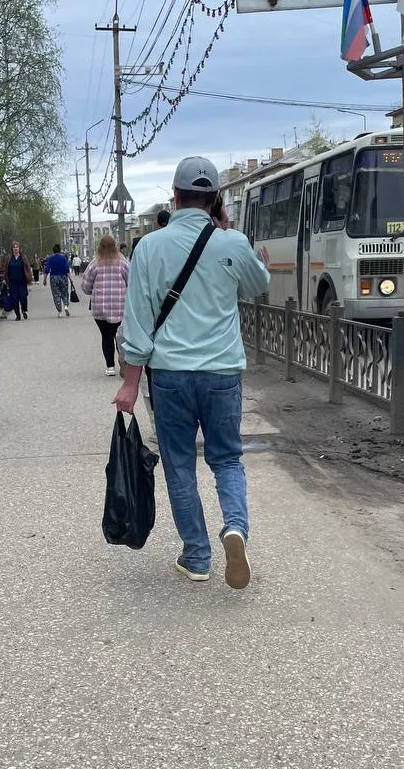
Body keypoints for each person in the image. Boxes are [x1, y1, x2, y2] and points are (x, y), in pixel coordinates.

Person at [113, 156, 270, 589]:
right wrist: (233, 238)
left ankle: (197, 557)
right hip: (221, 373)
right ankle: (235, 527)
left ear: (175, 196)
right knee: (227, 459)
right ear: (216, 198)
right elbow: (257, 286)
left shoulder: (149, 247)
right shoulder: (232, 242)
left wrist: (130, 382)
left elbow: (138, 320)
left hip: (170, 376)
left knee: (179, 465)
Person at [81, 235, 129, 376]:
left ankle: (110, 367)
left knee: (106, 336)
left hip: (100, 309)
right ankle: (123, 362)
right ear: (115, 246)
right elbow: (132, 282)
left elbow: (85, 286)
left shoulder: (94, 263)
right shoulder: (123, 263)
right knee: (121, 337)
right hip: (121, 307)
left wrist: (93, 290)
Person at [3, 241, 32, 320]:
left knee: (23, 296)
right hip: (12, 282)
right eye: (14, 247)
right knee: (14, 298)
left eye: (17, 247)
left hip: (22, 281)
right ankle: (17, 315)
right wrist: (4, 279)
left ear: (19, 248)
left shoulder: (23, 257)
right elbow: (6, 269)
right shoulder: (9, 258)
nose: (15, 249)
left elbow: (27, 268)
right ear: (12, 249)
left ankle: (24, 310)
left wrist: (29, 278)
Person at [43, 243, 72, 316]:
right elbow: (67, 269)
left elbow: (47, 269)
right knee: (64, 292)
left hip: (54, 277)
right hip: (63, 277)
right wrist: (70, 278)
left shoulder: (50, 258)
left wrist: (44, 279)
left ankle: (59, 311)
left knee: (56, 294)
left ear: (53, 251)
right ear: (59, 250)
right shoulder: (63, 258)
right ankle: (66, 305)